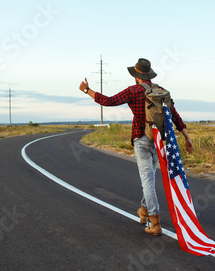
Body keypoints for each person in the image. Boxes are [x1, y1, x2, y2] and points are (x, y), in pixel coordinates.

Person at [79, 58, 193, 236]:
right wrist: (187, 137)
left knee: (147, 180)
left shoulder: (133, 91)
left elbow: (108, 101)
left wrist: (87, 90)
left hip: (141, 138)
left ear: (136, 76)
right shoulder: (161, 91)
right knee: (150, 178)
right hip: (157, 139)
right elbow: (174, 115)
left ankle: (155, 223)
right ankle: (143, 211)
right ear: (149, 75)